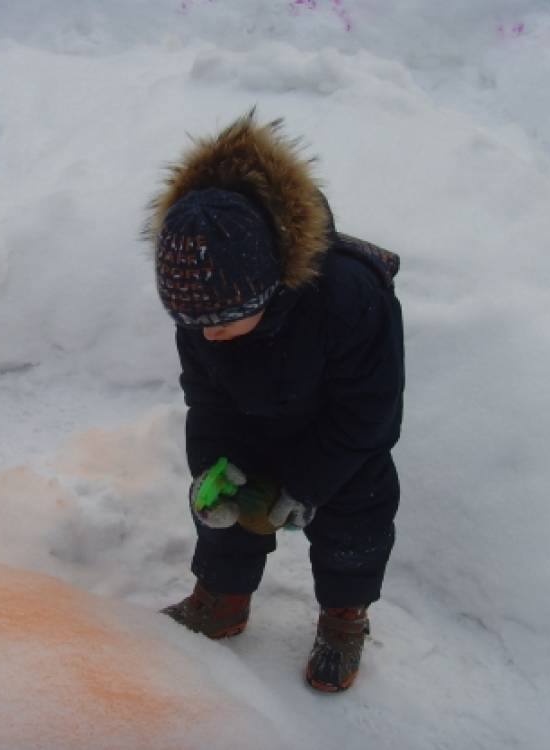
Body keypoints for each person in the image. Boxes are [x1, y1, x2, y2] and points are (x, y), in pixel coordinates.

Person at [146, 111, 404, 693]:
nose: (206, 336)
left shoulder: (349, 297)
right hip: (250, 427)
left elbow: (370, 414)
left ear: (269, 287)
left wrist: (307, 487)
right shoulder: (205, 305)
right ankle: (222, 598)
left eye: (223, 324)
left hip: (343, 442)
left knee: (354, 527)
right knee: (228, 514)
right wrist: (210, 467)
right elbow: (206, 399)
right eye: (192, 326)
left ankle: (344, 618)